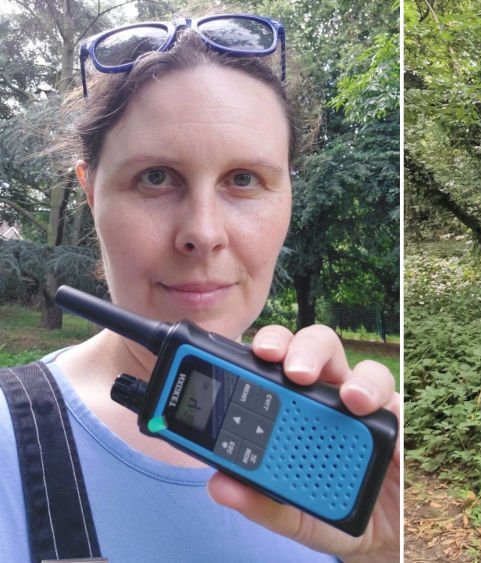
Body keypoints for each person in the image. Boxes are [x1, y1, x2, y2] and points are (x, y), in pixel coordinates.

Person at [0, 14, 399, 563]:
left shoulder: (350, 465)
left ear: (287, 196)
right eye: (156, 177)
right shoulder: (8, 440)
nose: (204, 234)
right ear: (91, 194)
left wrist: (380, 552)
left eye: (243, 179)